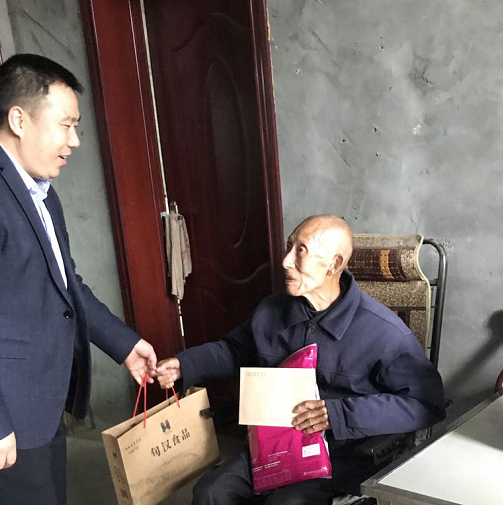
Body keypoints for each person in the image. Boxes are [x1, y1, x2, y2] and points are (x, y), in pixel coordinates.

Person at [0, 54, 157, 505]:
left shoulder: (37, 189)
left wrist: (124, 344)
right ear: (19, 120)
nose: (75, 141)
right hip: (0, 413)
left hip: (38, 402)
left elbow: (65, 285)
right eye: (66, 126)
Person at [156, 215, 445, 504]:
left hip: (342, 457)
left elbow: (425, 404)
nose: (285, 261)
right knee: (210, 491)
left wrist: (338, 414)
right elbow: (234, 350)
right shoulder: (270, 311)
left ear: (333, 264)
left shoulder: (383, 332)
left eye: (301, 251)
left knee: (287, 503)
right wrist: (185, 365)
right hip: (273, 445)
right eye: (289, 247)